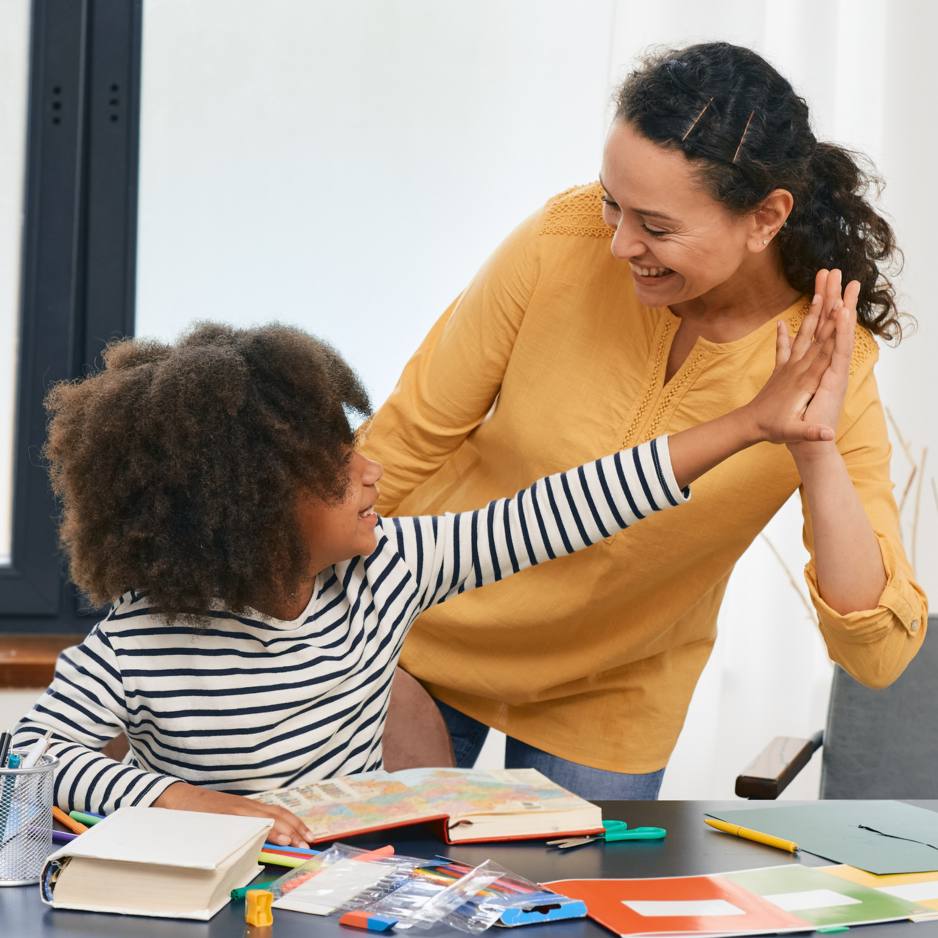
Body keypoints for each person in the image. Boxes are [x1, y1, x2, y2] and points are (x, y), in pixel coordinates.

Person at [14, 311, 841, 846]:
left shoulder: (386, 570)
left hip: (351, 891)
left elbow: (559, 510)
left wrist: (749, 423)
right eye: (337, 466)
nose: (371, 471)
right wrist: (191, 802)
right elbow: (29, 757)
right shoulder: (143, 637)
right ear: (251, 507)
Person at [359, 41, 928, 799]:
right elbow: (404, 438)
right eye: (612, 203)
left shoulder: (827, 360)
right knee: (363, 870)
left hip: (611, 694)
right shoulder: (563, 240)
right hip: (420, 635)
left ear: (766, 217)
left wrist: (816, 449)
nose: (621, 243)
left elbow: (876, 652)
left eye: (656, 226)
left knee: (581, 885)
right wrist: (312, 624)